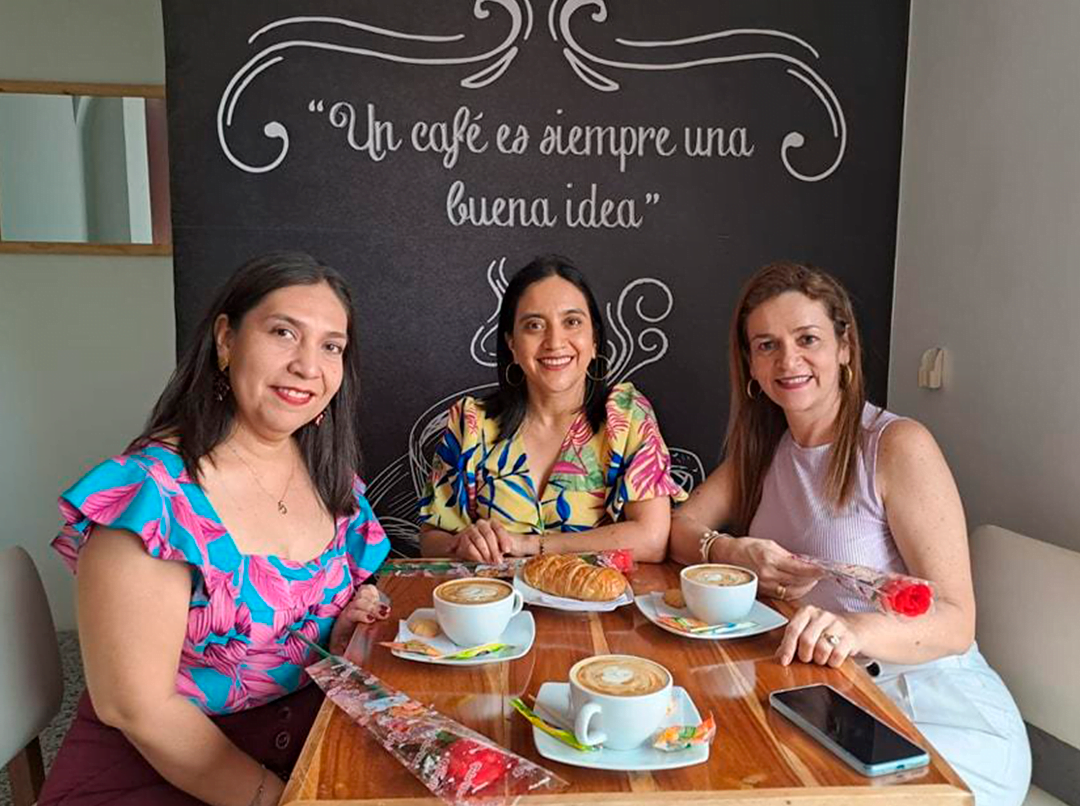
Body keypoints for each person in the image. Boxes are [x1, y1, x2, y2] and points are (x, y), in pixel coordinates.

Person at [670, 262, 1030, 806]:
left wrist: (852, 630)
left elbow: (957, 622)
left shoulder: (896, 445)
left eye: (807, 339)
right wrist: (732, 551)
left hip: (935, 705)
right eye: (767, 345)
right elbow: (680, 528)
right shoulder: (763, 451)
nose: (788, 360)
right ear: (750, 364)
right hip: (832, 700)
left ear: (844, 347)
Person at [39, 253, 391, 806]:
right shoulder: (151, 495)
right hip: (161, 769)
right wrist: (283, 800)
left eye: (331, 346)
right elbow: (138, 708)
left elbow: (310, 616)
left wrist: (343, 625)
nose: (308, 365)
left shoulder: (329, 477)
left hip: (302, 741)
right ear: (226, 340)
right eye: (283, 333)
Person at [419, 254, 685, 563]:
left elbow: (652, 540)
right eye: (534, 326)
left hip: (597, 595)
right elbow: (431, 540)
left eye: (572, 322)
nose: (555, 342)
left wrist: (530, 544)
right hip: (496, 595)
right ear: (512, 344)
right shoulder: (471, 422)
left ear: (594, 339)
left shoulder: (626, 415)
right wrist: (462, 544)